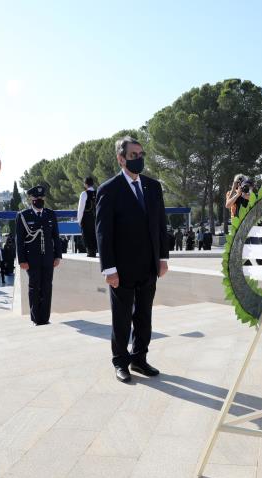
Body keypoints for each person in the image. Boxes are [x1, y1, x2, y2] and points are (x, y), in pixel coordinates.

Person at [96, 135, 169, 383]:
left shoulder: (153, 186)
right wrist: (109, 268)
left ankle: (139, 359)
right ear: (121, 159)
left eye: (141, 155)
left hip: (148, 265)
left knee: (144, 316)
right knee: (122, 317)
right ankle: (121, 362)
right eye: (133, 155)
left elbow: (160, 224)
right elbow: (103, 232)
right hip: (122, 268)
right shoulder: (109, 189)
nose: (138, 159)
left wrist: (163, 257)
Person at [16, 185, 62, 325]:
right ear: (31, 199)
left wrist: (57, 256)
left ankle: (45, 317)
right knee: (34, 287)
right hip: (32, 258)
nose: (39, 200)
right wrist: (22, 260)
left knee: (47, 286)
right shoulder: (23, 216)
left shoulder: (50, 214)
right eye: (36, 198)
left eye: (41, 197)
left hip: (48, 257)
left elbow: (56, 236)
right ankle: (36, 318)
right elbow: (19, 239)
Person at [76, 176, 97, 257]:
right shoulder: (97, 192)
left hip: (87, 219)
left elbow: (80, 208)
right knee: (95, 235)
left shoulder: (84, 193)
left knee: (87, 235)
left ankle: (90, 253)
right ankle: (94, 251)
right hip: (96, 218)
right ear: (93, 183)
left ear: (85, 184)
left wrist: (79, 220)